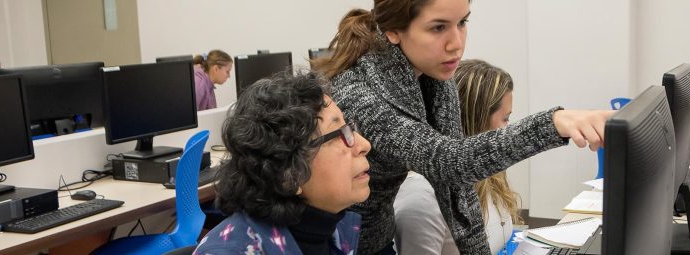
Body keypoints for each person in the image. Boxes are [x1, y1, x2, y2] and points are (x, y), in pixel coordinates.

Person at [311, 0, 614, 253]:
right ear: (393, 31)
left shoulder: (434, 76)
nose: (456, 44)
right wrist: (552, 124)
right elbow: (449, 162)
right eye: (438, 27)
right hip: (338, 244)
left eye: (463, 23)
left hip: (373, 237)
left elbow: (457, 188)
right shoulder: (360, 94)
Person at [195, 72, 372, 255]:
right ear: (290, 175)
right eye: (338, 134)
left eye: (349, 128)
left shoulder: (334, 233)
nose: (365, 145)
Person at [394, 59, 521, 254]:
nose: (508, 130)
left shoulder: (487, 175)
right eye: (505, 119)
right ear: (477, 123)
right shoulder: (422, 194)